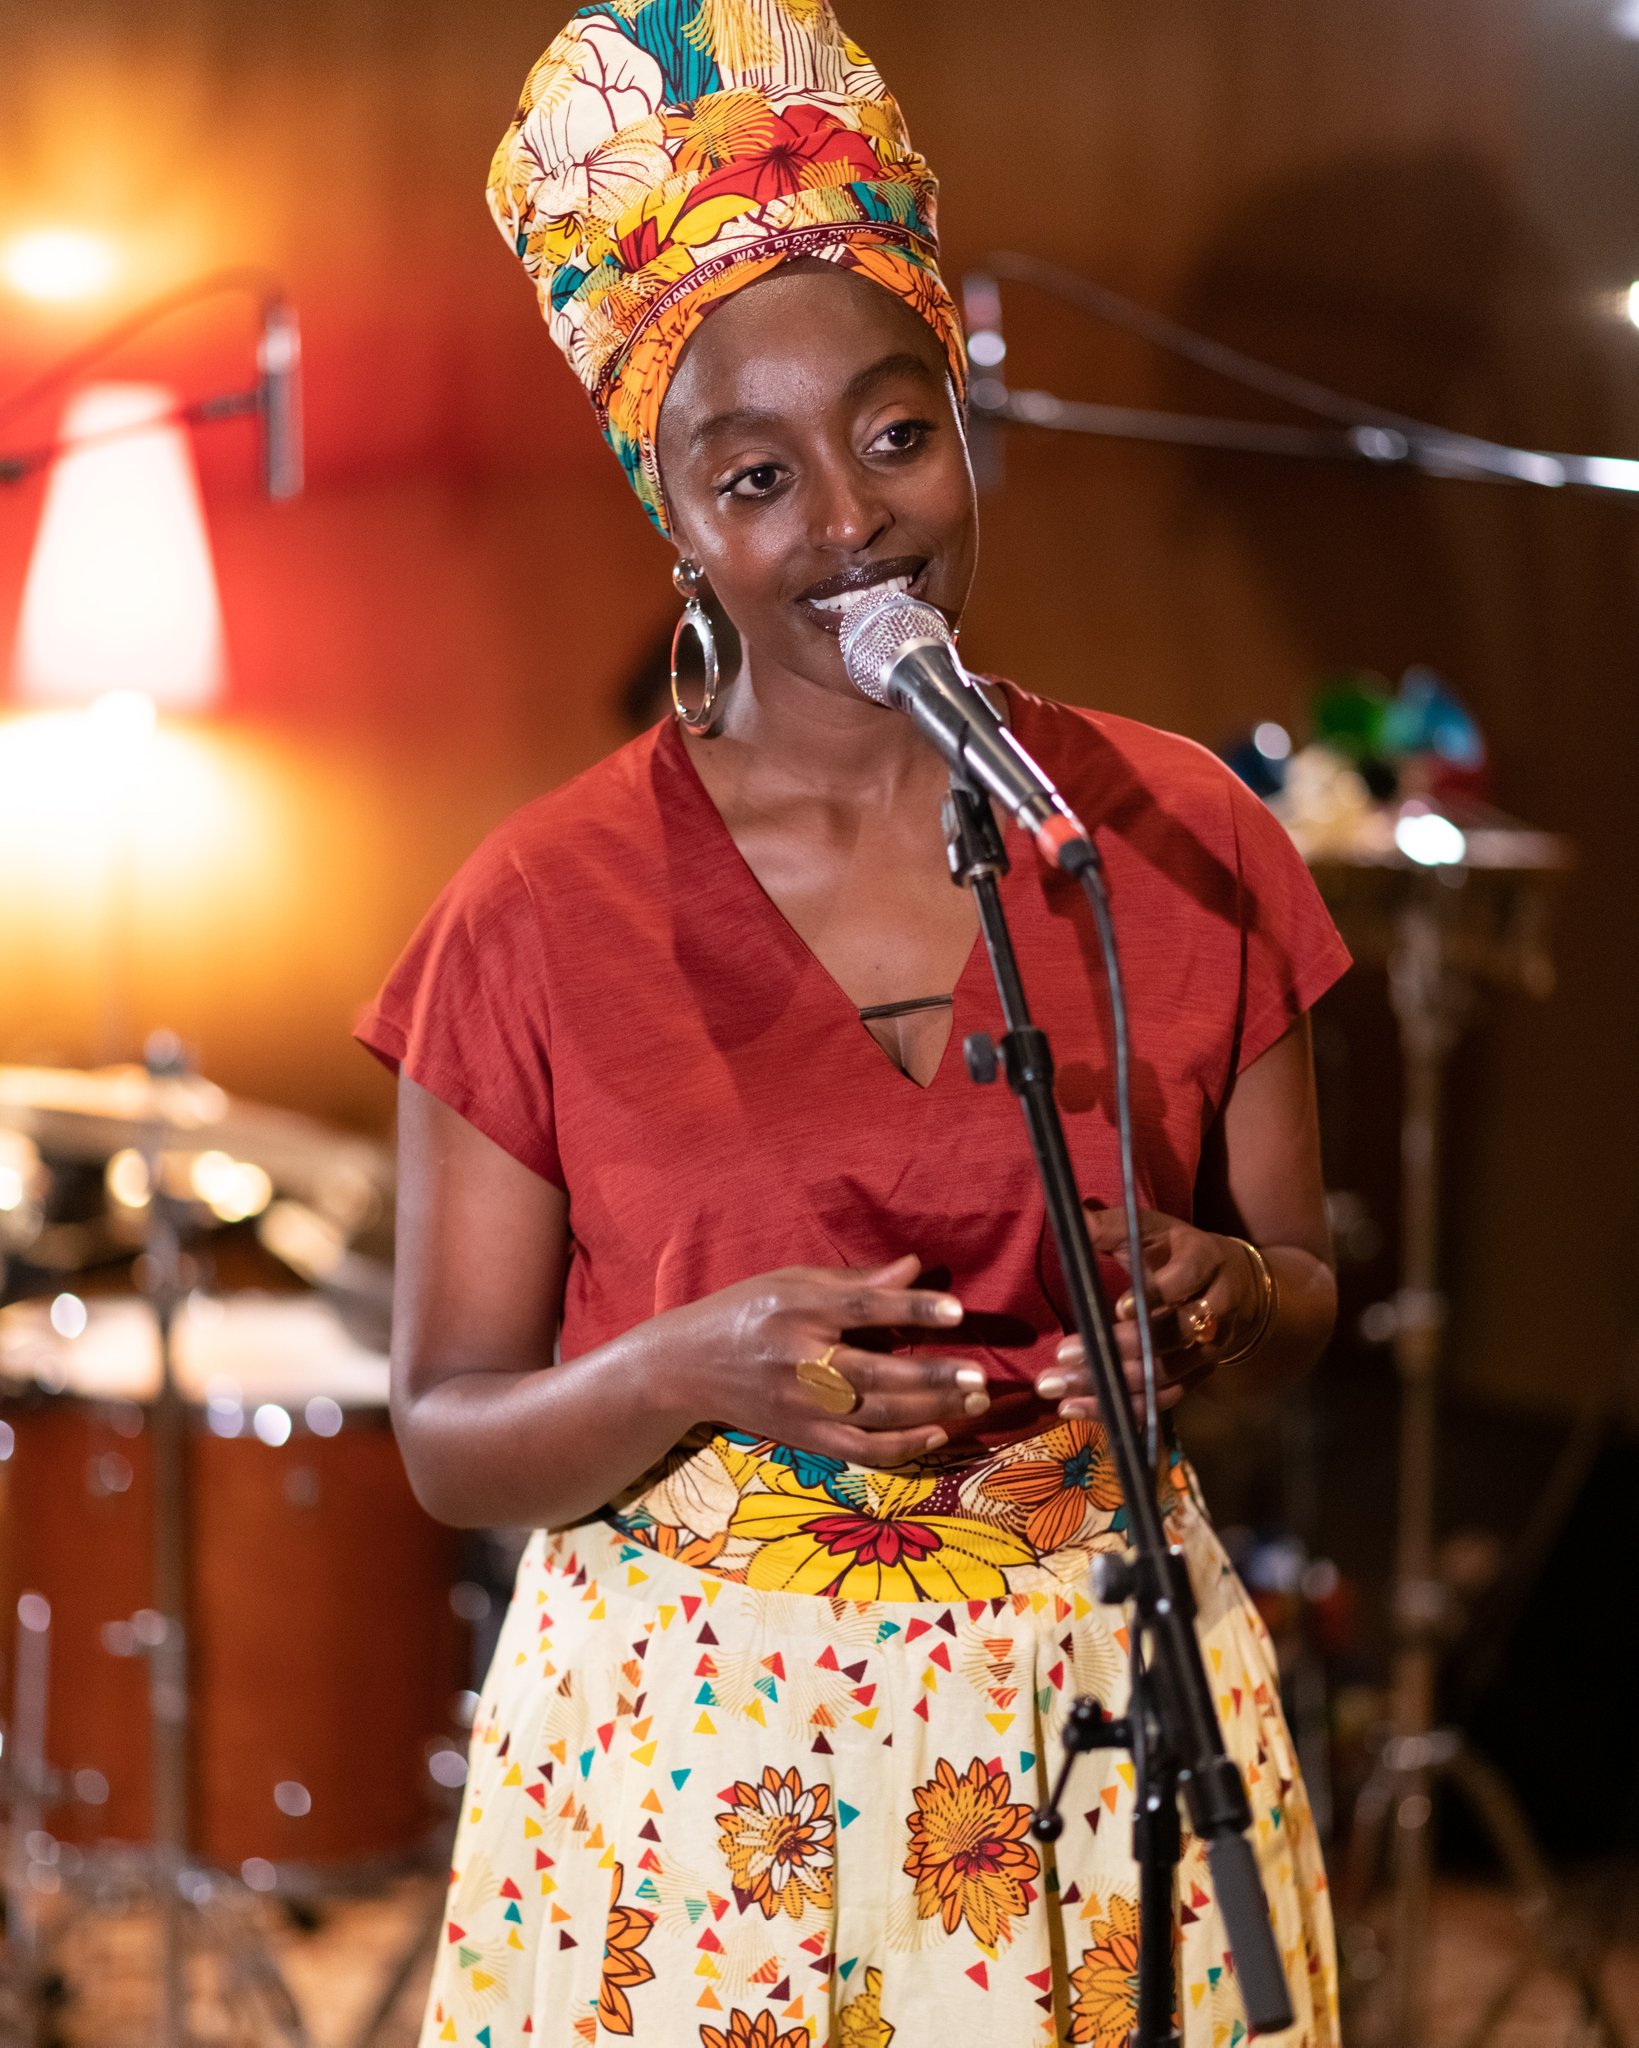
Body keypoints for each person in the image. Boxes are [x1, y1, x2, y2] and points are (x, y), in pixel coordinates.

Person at [358, 6, 1349, 2043]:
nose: (849, 520)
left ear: (966, 424)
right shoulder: (535, 907)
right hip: (685, 1782)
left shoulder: (1178, 841)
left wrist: (1226, 1301)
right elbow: (449, 1435)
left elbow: (1305, 1291)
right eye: (757, 476)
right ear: (675, 520)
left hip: (1098, 1738)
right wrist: (688, 1364)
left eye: (897, 436)